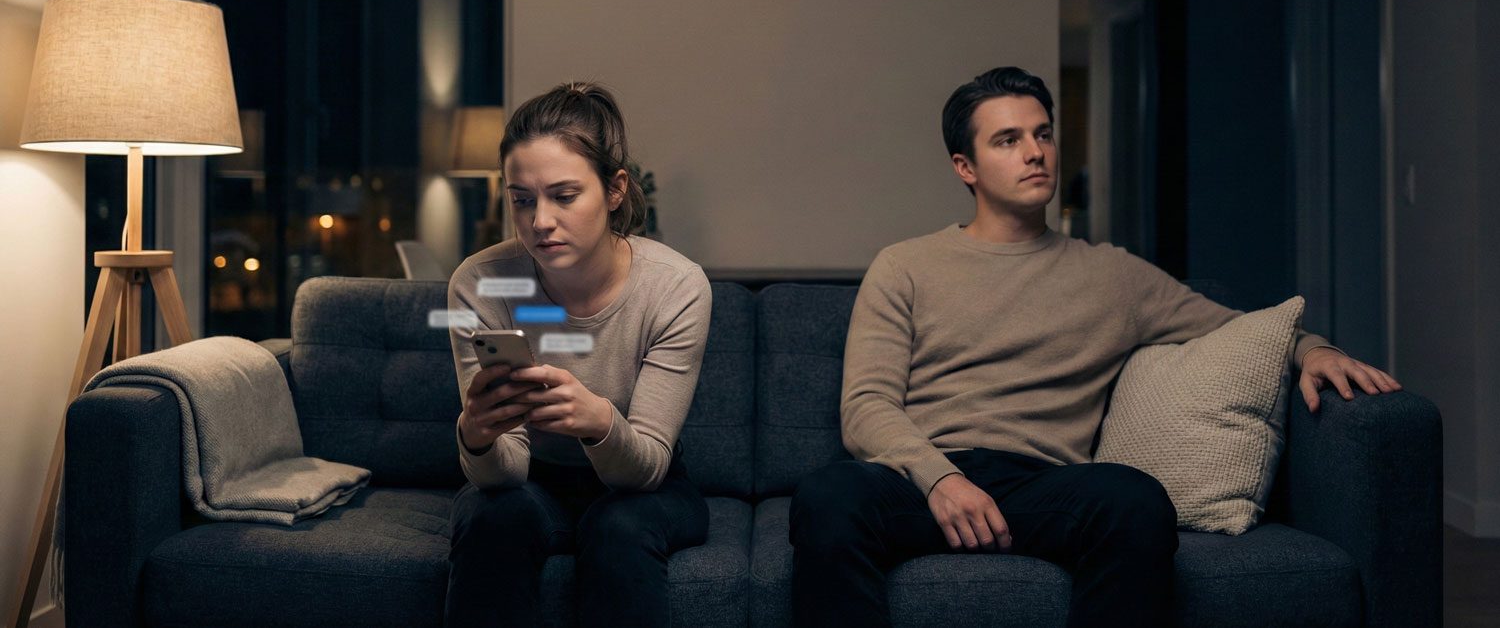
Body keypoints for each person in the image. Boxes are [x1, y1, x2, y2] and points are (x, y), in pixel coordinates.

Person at [788, 66, 1401, 628]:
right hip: (925, 481)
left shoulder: (1115, 277)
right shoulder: (905, 266)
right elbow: (866, 406)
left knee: (1134, 500)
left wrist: (1312, 349)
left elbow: (1242, 328)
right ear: (965, 166)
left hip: (1044, 486)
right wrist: (939, 479)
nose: (1035, 153)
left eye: (1043, 134)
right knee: (826, 496)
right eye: (1008, 140)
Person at [445, 82, 711, 627]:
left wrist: (598, 422)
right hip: (534, 476)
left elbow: (648, 467)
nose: (540, 220)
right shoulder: (481, 282)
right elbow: (504, 473)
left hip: (647, 481)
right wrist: (476, 434)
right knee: (491, 516)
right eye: (522, 199)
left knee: (620, 525)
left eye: (564, 196)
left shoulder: (676, 286)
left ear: (615, 190)